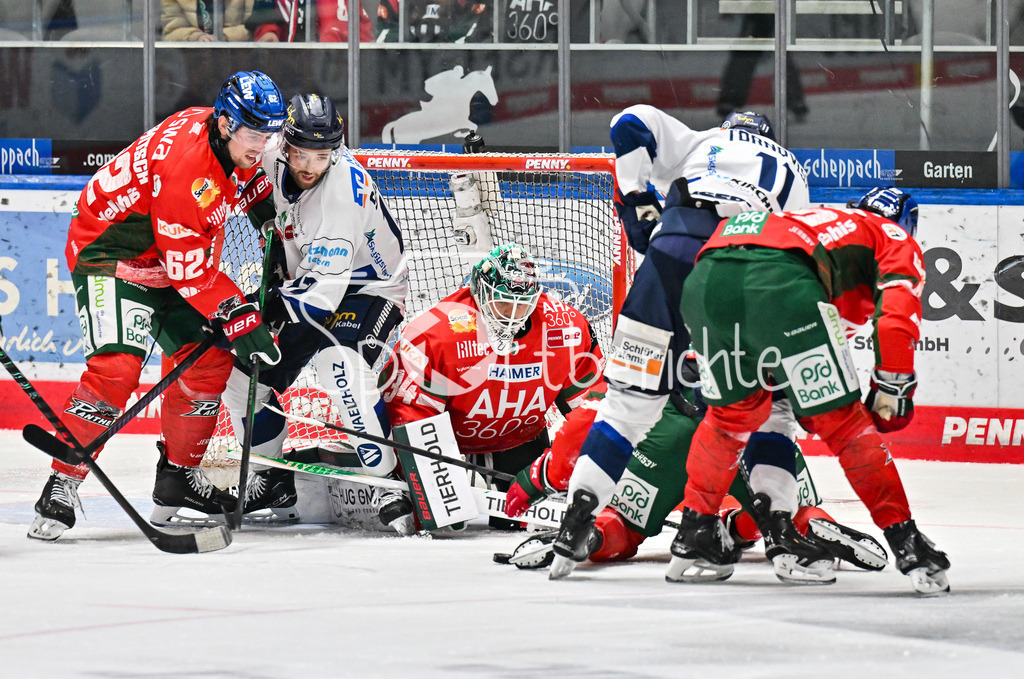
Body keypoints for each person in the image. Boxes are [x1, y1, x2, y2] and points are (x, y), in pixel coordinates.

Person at [548, 105, 813, 581]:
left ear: (728, 131)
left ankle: (573, 523)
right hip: (741, 269)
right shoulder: (793, 172)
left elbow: (627, 123)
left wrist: (636, 198)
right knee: (770, 412)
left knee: (625, 406)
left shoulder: (703, 141)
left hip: (672, 251)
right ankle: (777, 535)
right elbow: (796, 258)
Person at [29, 70, 287, 540]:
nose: (263, 145)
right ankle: (62, 482)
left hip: (168, 259)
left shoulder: (222, 134)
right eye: (255, 133)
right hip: (112, 259)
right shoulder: (187, 171)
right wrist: (240, 317)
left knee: (208, 361)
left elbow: (241, 178)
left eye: (270, 134)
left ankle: (177, 481)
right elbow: (191, 272)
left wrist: (267, 217)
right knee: (116, 371)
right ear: (227, 124)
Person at [671, 188, 950, 595]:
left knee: (731, 419)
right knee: (846, 427)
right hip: (780, 279)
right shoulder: (893, 238)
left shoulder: (817, 219)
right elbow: (892, 324)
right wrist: (893, 389)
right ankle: (907, 543)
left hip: (707, 278)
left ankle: (694, 532)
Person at [220, 93, 414, 533]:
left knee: (339, 366)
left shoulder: (340, 195)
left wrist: (262, 305)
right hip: (304, 282)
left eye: (322, 155)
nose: (309, 165)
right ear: (284, 144)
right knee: (242, 380)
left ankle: (387, 484)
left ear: (337, 151)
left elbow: (322, 298)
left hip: (370, 290)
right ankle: (270, 480)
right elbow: (245, 179)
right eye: (301, 153)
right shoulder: (268, 154)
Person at [503, 385, 889, 575]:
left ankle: (591, 535)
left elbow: (591, 416)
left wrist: (534, 479)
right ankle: (809, 526)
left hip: (670, 430)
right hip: (752, 421)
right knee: (783, 508)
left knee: (621, 523)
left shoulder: (670, 290)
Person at [383, 243, 604, 528]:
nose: (512, 313)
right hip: (446, 444)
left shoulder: (566, 328)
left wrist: (600, 467)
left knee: (524, 522)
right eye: (502, 301)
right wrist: (437, 482)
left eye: (522, 303)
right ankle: (387, 483)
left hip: (519, 437)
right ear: (479, 291)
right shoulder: (435, 333)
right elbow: (410, 412)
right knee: (442, 521)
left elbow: (592, 408)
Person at [246, 0, 374, 42]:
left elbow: (339, 35)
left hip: (330, 73)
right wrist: (268, 31)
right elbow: (264, 13)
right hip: (286, 66)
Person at [162, 1, 254, 42]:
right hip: (196, 60)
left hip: (239, 57)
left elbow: (254, 27)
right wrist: (196, 36)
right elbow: (170, 33)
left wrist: (223, 36)